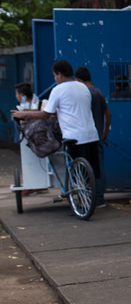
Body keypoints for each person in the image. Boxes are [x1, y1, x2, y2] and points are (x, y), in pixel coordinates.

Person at [13, 60, 102, 199]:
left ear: (59, 74)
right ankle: (92, 201)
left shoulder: (58, 89)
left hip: (74, 137)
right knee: (90, 173)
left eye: (54, 75)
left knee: (76, 171)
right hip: (91, 134)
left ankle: (80, 203)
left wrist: (23, 114)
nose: (54, 78)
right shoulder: (83, 87)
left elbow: (45, 114)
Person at [75, 67, 111, 207]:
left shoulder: (84, 95)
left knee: (87, 169)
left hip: (87, 137)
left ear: (78, 80)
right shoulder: (98, 93)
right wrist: (105, 132)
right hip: (98, 137)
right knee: (99, 168)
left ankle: (90, 198)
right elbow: (108, 115)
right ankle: (100, 197)